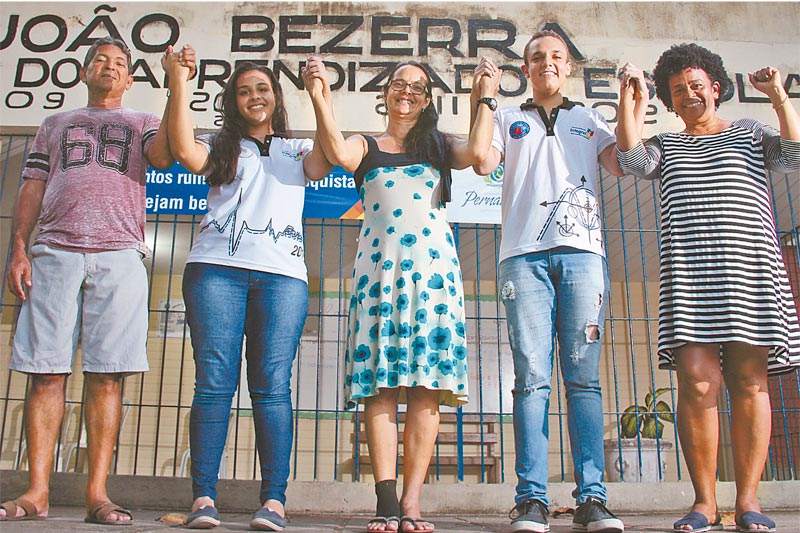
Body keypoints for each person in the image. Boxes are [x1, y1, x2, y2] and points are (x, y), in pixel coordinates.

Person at [1, 37, 195, 525]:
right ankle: (37, 491)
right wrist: (19, 248)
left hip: (120, 253)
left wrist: (177, 84)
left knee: (109, 375)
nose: (109, 67)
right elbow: (33, 184)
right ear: (84, 73)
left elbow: (166, 157)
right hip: (54, 251)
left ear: (130, 80)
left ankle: (97, 494)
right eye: (100, 61)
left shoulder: (143, 122)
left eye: (120, 64)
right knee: (46, 373)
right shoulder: (54, 124)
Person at [303, 56, 500, 532]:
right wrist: (318, 95)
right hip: (379, 279)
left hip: (435, 282)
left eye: (417, 86)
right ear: (386, 93)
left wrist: (485, 97)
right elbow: (333, 150)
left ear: (428, 98)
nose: (406, 92)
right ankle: (386, 500)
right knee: (381, 390)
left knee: (426, 391)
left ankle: (413, 502)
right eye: (398, 84)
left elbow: (479, 151)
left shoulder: (438, 146)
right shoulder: (365, 144)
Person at [616, 43, 800, 533]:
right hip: (690, 278)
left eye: (696, 85)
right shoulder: (667, 145)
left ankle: (748, 501)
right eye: (678, 91)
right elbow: (630, 158)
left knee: (749, 384)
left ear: (715, 88)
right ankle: (704, 503)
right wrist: (630, 97)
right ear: (670, 101)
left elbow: (795, 153)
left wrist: (778, 96)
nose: (689, 94)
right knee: (697, 385)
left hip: (750, 275)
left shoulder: (749, 132)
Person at [472, 31, 648, 533]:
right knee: (531, 380)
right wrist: (483, 97)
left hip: (583, 257)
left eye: (555, 57)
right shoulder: (509, 118)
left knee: (583, 380)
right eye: (536, 58)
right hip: (522, 259)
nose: (546, 63)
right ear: (524, 68)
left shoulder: (588, 118)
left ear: (568, 67)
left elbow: (624, 162)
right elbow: (482, 161)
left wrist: (628, 104)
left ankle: (592, 498)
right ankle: (531, 500)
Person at [162, 51, 332, 531]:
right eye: (244, 90)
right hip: (215, 271)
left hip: (282, 278)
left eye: (263, 89)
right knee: (214, 385)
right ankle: (203, 499)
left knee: (272, 387)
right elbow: (182, 149)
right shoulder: (221, 144)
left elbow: (330, 158)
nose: (255, 96)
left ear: (276, 98)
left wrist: (319, 94)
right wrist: (178, 82)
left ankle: (274, 501)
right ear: (233, 102)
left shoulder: (296, 150)